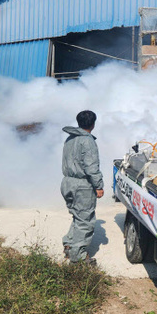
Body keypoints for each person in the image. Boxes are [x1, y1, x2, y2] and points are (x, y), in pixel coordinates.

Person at [61, 110, 104, 263]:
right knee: (85, 220)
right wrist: (98, 186)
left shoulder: (70, 138)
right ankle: (78, 258)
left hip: (67, 182)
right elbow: (91, 167)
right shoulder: (88, 141)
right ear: (93, 124)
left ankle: (69, 245)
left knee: (77, 216)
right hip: (82, 185)